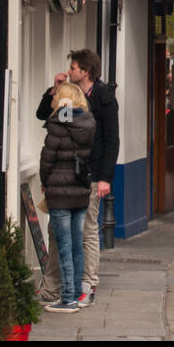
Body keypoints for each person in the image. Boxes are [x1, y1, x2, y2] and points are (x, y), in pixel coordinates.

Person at [37, 48, 118, 306]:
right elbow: (45, 116)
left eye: (73, 68)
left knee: (87, 231)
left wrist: (105, 177)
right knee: (56, 230)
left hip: (89, 175)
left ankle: (88, 285)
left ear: (85, 71)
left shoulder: (104, 98)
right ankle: (53, 287)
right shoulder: (68, 97)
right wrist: (54, 90)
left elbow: (112, 140)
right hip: (64, 176)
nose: (69, 71)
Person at [39, 81, 96, 312]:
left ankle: (68, 298)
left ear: (62, 100)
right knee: (77, 246)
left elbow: (47, 158)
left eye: (57, 97)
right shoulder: (88, 124)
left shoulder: (57, 124)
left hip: (60, 192)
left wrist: (44, 182)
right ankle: (78, 293)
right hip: (80, 191)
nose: (53, 100)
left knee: (64, 245)